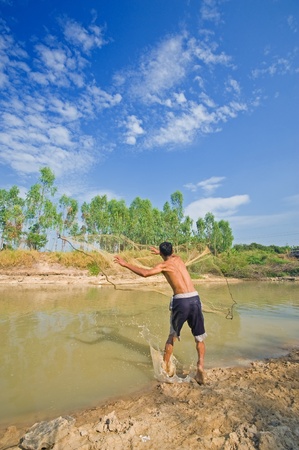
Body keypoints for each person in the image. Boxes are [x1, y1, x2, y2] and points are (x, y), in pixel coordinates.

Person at [114, 241, 207, 384]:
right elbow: (172, 255)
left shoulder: (163, 265)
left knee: (172, 336)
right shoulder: (178, 259)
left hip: (181, 301)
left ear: (161, 253)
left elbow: (145, 273)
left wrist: (125, 264)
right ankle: (200, 365)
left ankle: (165, 368)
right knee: (199, 337)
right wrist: (162, 253)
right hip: (195, 298)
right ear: (172, 250)